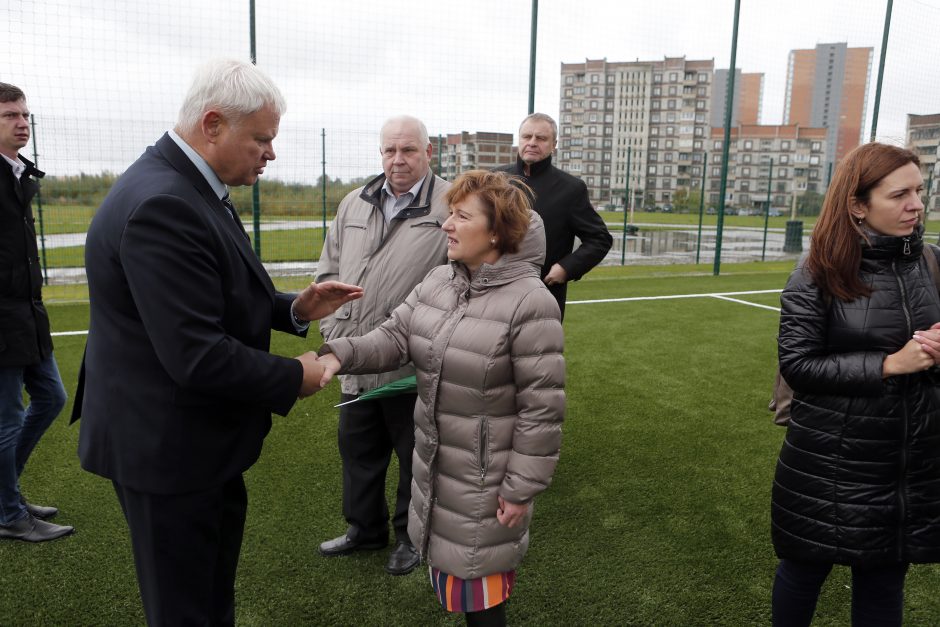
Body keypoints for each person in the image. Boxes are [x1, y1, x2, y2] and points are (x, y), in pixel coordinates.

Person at [72, 59, 362, 626]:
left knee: (207, 597)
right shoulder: (164, 202)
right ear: (212, 124)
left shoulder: (185, 185)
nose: (270, 153)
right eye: (262, 138)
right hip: (166, 450)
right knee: (185, 610)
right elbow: (195, 352)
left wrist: (294, 309)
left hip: (190, 444)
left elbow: (212, 290)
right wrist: (294, 377)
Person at [318, 170, 565, 626]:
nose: (446, 225)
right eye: (448, 213)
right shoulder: (438, 281)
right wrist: (337, 355)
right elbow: (394, 337)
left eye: (460, 216)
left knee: (481, 584)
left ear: (496, 233)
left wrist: (520, 487)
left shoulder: (531, 302)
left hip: (486, 478)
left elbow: (542, 410)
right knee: (456, 573)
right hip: (436, 462)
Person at [771, 142, 940, 626]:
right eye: (899, 194)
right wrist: (888, 365)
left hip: (906, 464)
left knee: (884, 582)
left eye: (919, 191)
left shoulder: (931, 264)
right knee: (803, 572)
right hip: (828, 461)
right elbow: (799, 365)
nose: (916, 204)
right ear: (857, 206)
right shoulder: (816, 273)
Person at [315, 115, 449, 576]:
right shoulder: (354, 202)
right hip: (355, 357)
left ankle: (410, 539)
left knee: (415, 457)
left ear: (428, 153)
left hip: (412, 364)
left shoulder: (451, 203)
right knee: (357, 449)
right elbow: (328, 269)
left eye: (408, 150)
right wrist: (333, 332)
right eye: (390, 150)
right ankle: (363, 530)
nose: (398, 160)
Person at [0, 83, 73, 543]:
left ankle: (6, 491)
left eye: (25, 115)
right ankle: (9, 514)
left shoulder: (17, 172)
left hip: (28, 314)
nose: (22, 122)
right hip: (2, 320)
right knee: (6, 420)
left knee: (51, 398)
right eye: (10, 115)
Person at [496, 112, 612, 320]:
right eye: (527, 136)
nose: (532, 143)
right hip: (493, 290)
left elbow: (600, 239)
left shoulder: (570, 189)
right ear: (519, 140)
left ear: (554, 145)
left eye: (541, 138)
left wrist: (566, 268)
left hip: (543, 295)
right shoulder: (495, 180)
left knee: (536, 351)